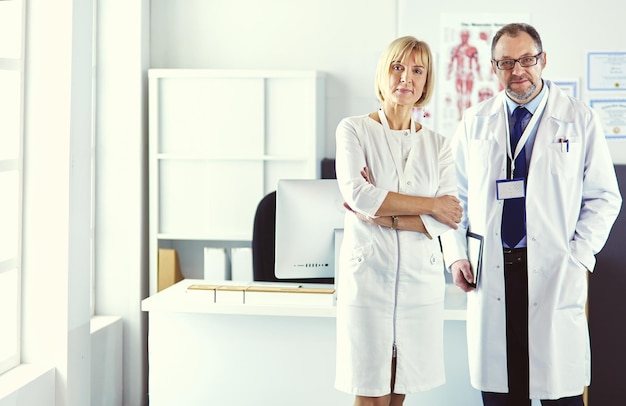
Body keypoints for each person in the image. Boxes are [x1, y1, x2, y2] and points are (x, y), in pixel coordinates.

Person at [440, 23, 622, 405]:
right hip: (492, 269)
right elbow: (450, 196)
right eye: (506, 62)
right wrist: (456, 254)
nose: (518, 70)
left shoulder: (578, 118)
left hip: (555, 267)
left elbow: (605, 197)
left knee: (560, 391)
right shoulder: (475, 121)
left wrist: (578, 256)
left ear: (543, 60)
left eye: (526, 59)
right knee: (503, 393)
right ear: (494, 67)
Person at [334, 36, 463, 406]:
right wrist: (428, 205)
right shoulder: (354, 129)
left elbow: (447, 217)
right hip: (369, 277)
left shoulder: (438, 144)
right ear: (383, 73)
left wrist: (387, 216)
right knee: (370, 390)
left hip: (418, 284)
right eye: (398, 67)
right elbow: (360, 195)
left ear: (426, 83)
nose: (406, 77)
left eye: (417, 70)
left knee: (399, 386)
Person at [447, 29, 482, 120]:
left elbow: (477, 63)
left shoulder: (472, 49)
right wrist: (448, 74)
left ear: (468, 37)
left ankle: (467, 116)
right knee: (459, 95)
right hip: (459, 74)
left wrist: (479, 75)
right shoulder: (456, 49)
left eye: (466, 36)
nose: (464, 38)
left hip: (469, 74)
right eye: (463, 36)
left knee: (468, 95)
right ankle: (459, 115)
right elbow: (451, 62)